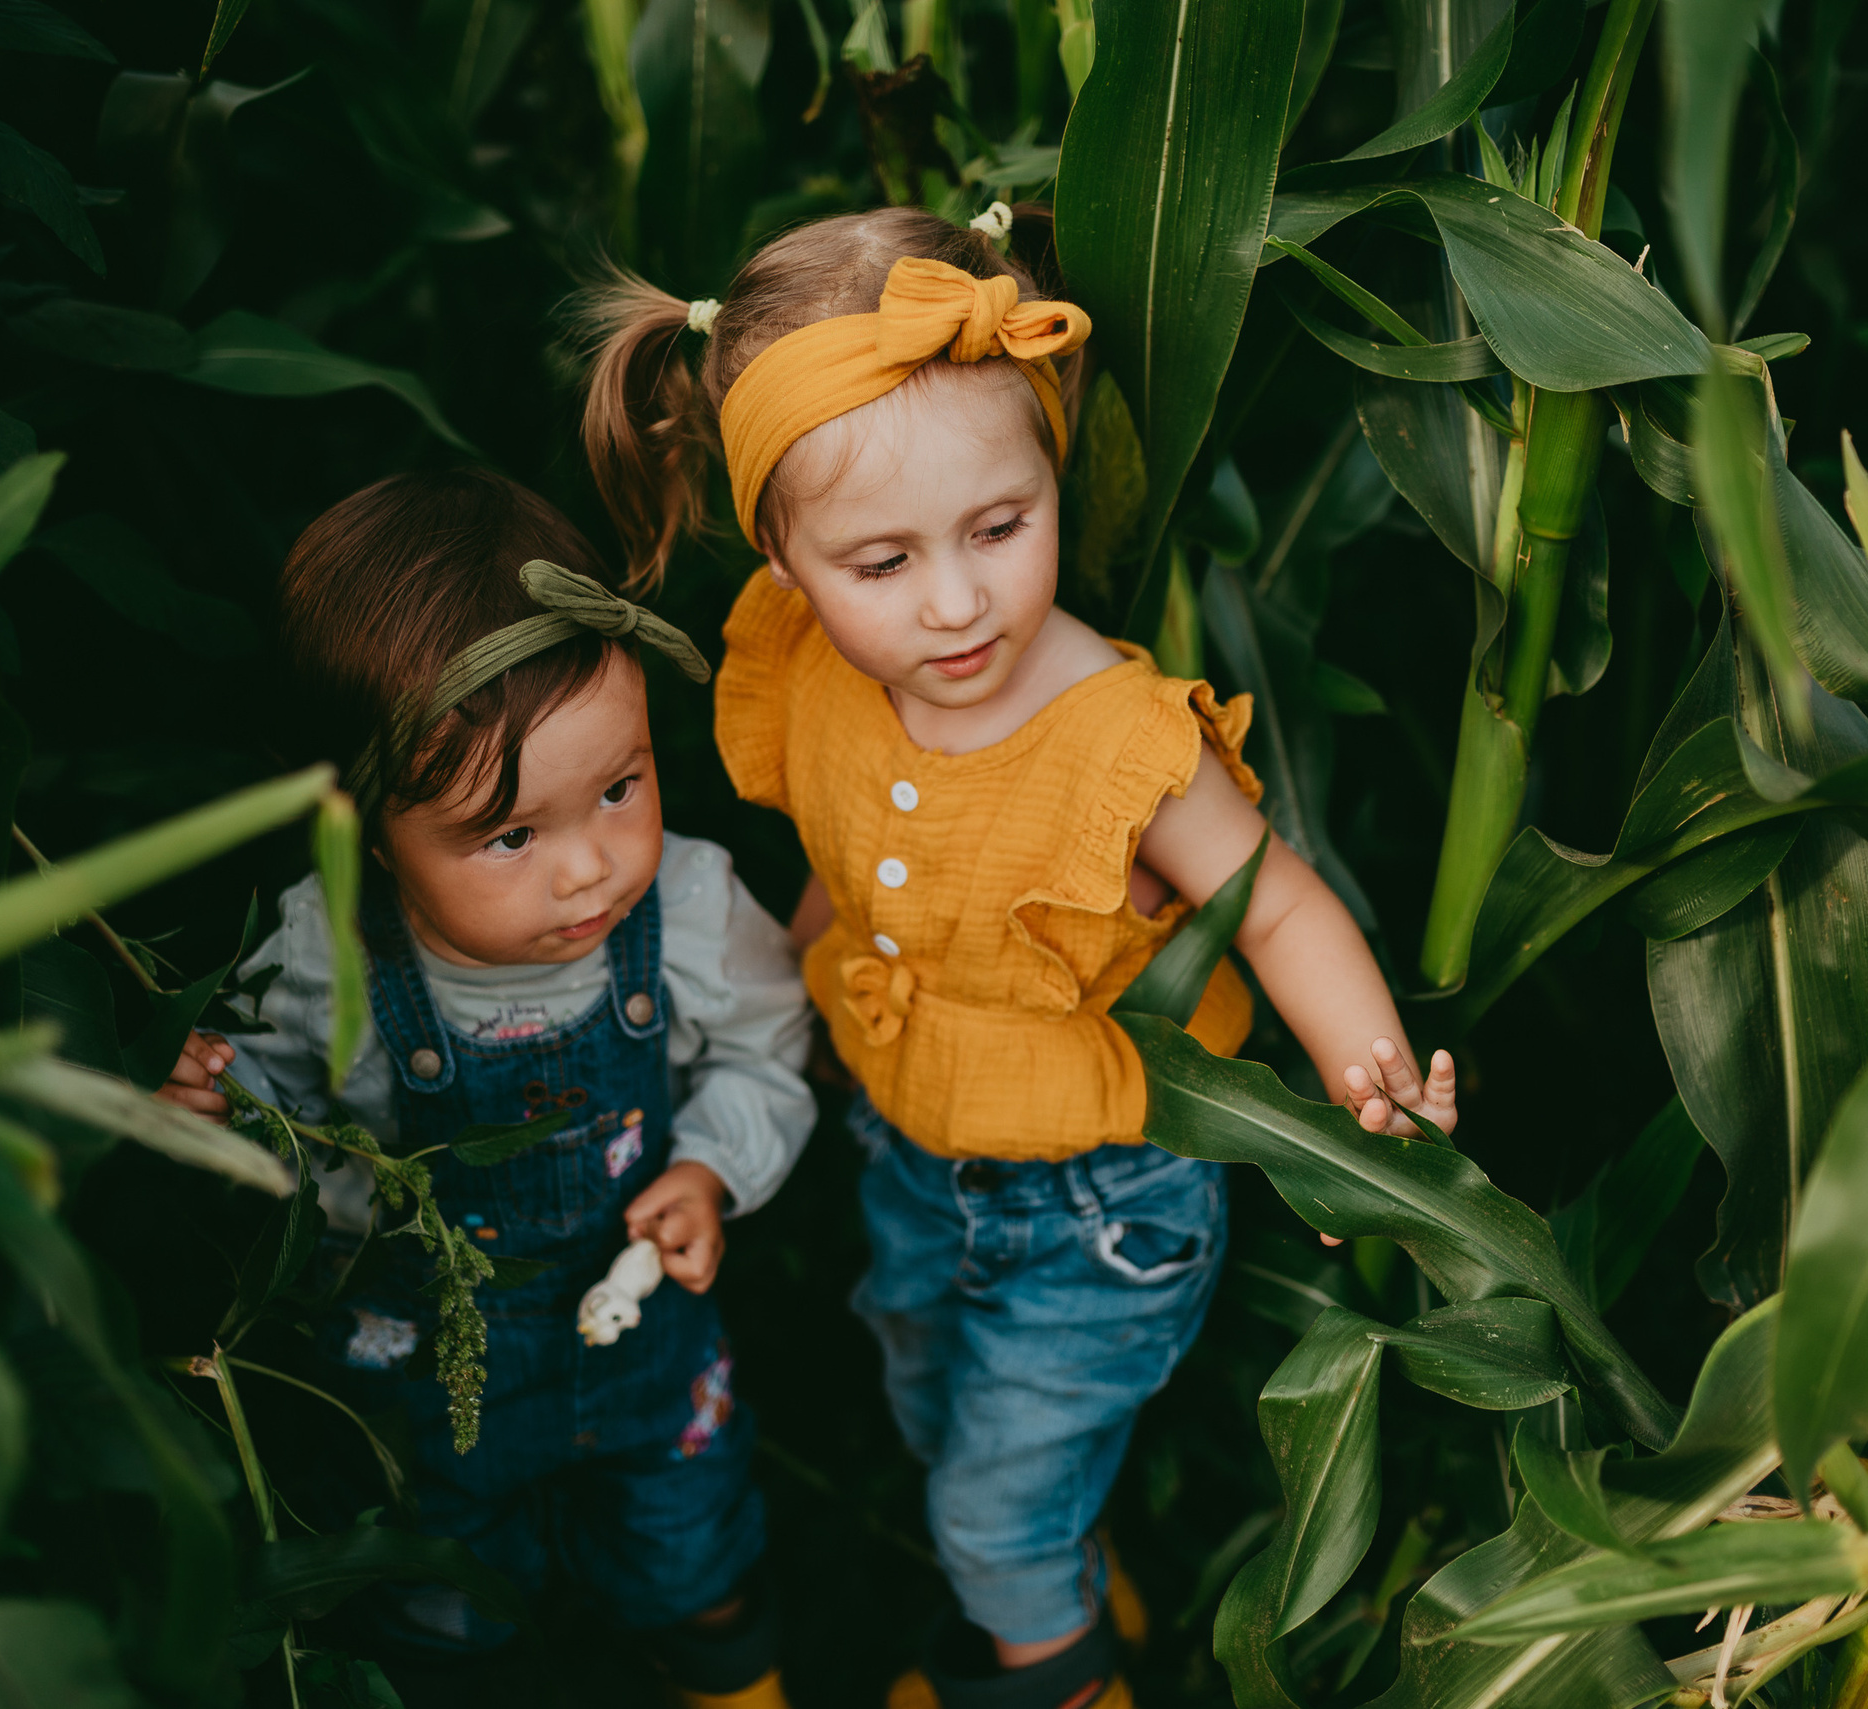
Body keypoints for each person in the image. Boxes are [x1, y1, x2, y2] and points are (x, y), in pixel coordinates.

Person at [577, 206, 1459, 1709]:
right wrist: (763, 1028)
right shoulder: (812, 663)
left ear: (1051, 472)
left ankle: (1057, 1662)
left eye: (1002, 525)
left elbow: (1283, 908)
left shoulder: (1125, 742)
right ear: (780, 557)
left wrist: (1366, 1106)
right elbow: (846, 883)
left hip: (1101, 1203)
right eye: (882, 560)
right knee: (942, 1429)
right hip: (913, 1156)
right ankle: (1055, 1591)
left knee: (984, 1510)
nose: (957, 600)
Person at [156, 469, 813, 1709]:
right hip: (422, 1380)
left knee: (698, 1560)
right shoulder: (321, 954)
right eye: (509, 836)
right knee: (443, 1610)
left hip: (650, 1364)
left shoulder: (684, 907)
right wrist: (214, 1107)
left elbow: (767, 1044)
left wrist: (713, 1164)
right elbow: (285, 1122)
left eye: (619, 787)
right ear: (358, 828)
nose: (587, 870)